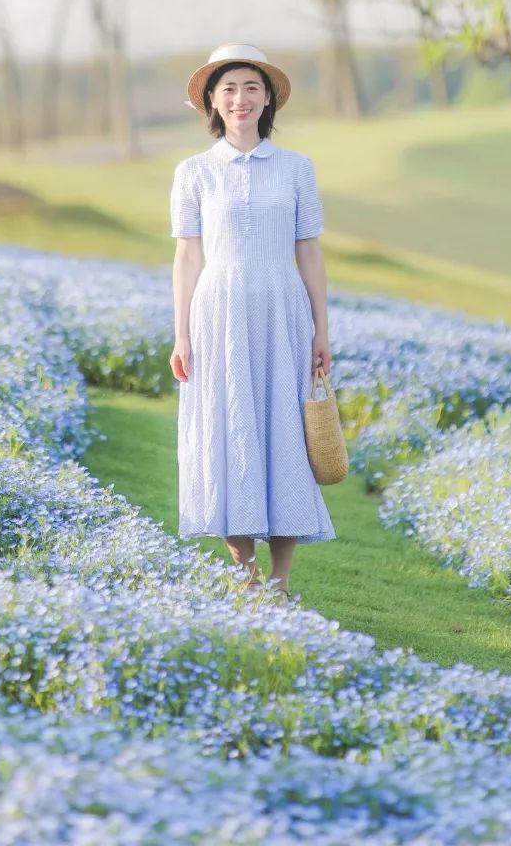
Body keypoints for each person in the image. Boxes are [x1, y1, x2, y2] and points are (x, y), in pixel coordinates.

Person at [169, 41, 336, 603]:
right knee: (228, 429)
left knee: (285, 434)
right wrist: (181, 332)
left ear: (268, 101)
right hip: (217, 311)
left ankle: (282, 583)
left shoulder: (296, 168)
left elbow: (309, 252)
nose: (241, 99)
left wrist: (321, 329)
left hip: (282, 309)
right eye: (229, 89)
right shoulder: (195, 173)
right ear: (213, 103)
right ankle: (244, 573)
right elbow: (188, 255)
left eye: (252, 88)